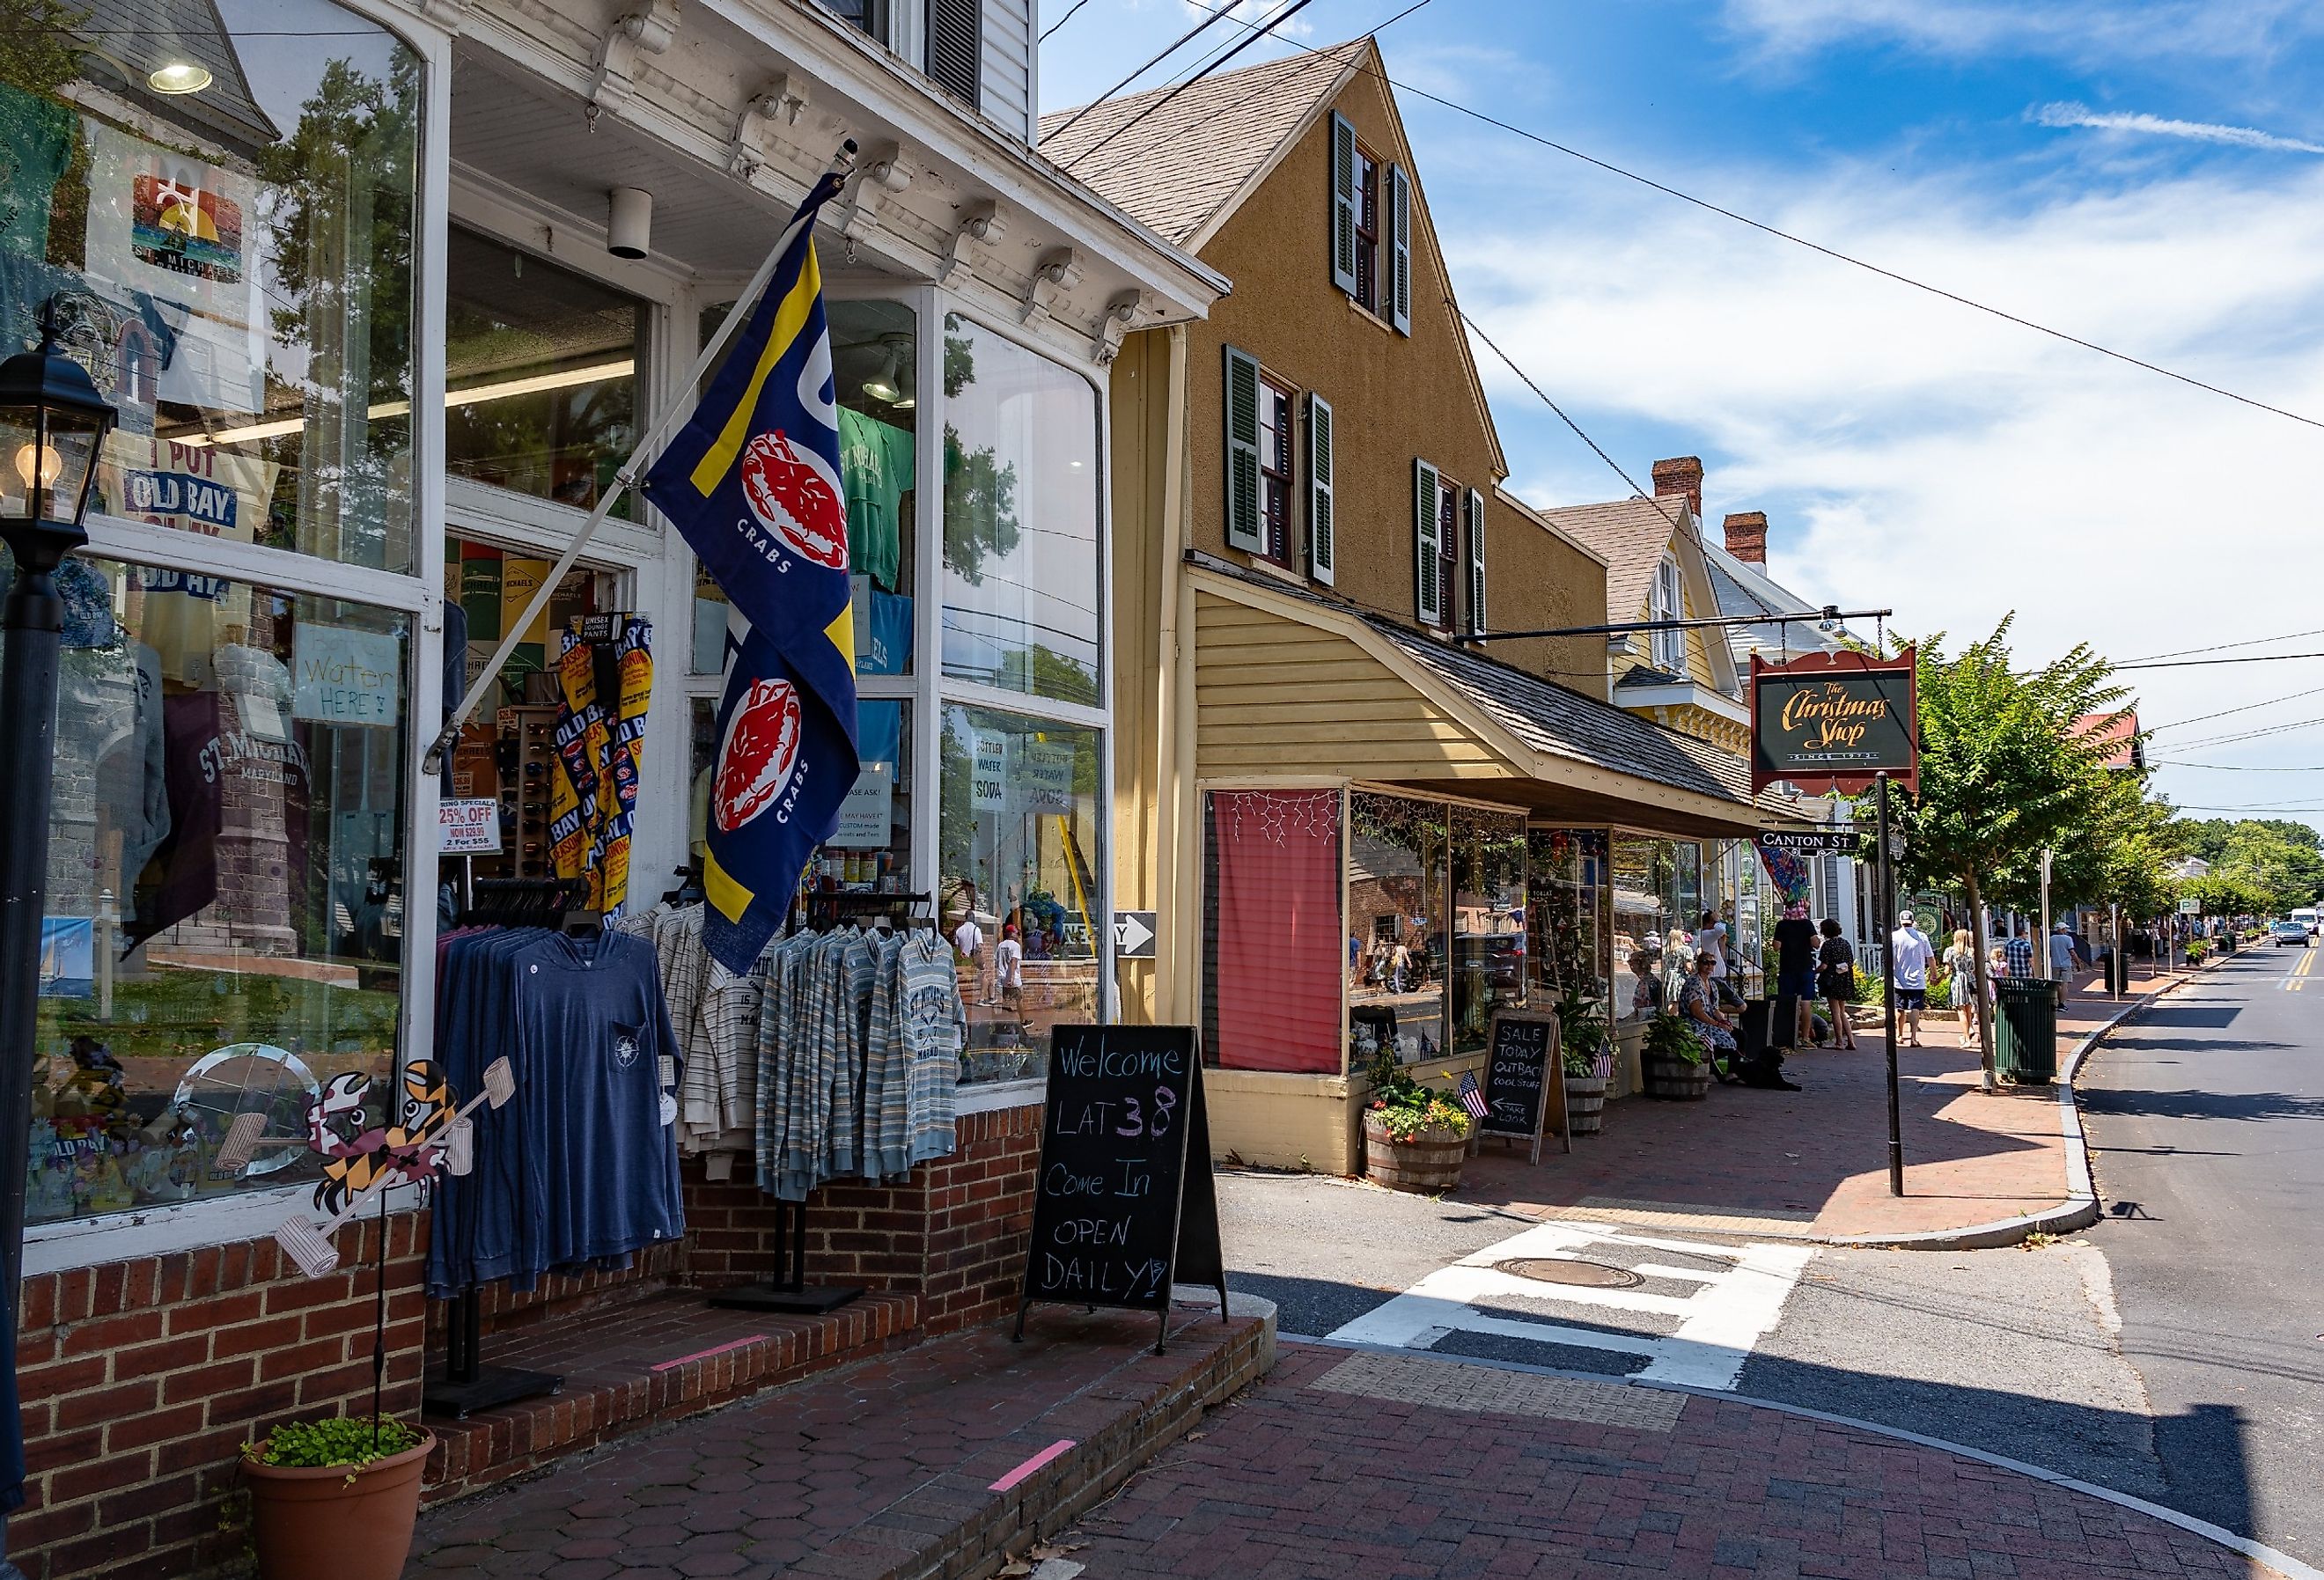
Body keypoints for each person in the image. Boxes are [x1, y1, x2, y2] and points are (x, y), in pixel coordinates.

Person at [1773, 902, 1820, 1044]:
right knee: (1805, 1003)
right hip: (1805, 967)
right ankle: (1805, 1038)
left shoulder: (1782, 925)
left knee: (1786, 1003)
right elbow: (1816, 943)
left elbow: (1776, 946)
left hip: (1787, 968)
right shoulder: (1807, 924)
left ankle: (1787, 1038)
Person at [1889, 908, 1936, 1047]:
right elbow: (1930, 958)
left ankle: (1899, 1034)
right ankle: (1913, 1037)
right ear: (1912, 921)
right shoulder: (1921, 937)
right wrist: (1934, 974)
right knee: (1915, 1008)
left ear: (1900, 921)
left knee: (1900, 1008)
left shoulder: (1894, 937)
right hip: (1917, 979)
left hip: (1899, 978)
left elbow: (1890, 958)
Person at [1816, 919, 1859, 1050]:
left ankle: (1839, 1042)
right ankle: (1851, 1041)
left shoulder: (1827, 945)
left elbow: (1824, 966)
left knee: (1835, 1011)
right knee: (1842, 1011)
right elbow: (1850, 962)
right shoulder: (1845, 943)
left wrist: (1814, 971)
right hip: (1844, 979)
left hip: (1832, 981)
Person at [1943, 928, 1980, 1048]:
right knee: (1968, 1008)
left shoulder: (1950, 951)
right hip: (1970, 979)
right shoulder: (1972, 952)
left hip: (1958, 980)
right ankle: (1969, 1029)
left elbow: (1947, 970)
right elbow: (1975, 969)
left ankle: (1967, 1038)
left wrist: (1938, 979)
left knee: (1961, 1010)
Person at [1693, 911, 1729, 984]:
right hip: (1714, 976)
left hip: (1715, 975)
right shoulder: (1706, 934)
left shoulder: (1706, 936)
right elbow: (1721, 929)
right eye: (1714, 923)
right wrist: (1717, 920)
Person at [996, 922, 1024, 1013]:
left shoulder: (1000, 945)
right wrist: (1011, 978)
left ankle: (1005, 1023)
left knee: (1005, 1001)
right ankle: (1022, 1021)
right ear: (1011, 933)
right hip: (1013, 978)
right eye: (1016, 933)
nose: (1017, 935)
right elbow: (1013, 961)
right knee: (1019, 999)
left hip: (1002, 977)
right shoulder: (1016, 946)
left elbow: (996, 961)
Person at [2048, 922, 2077, 1003]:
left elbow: (2049, 951)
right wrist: (2078, 962)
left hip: (2055, 964)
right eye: (2065, 929)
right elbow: (2072, 951)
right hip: (2066, 964)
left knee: (2056, 984)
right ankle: (2062, 1003)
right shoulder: (2068, 938)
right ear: (2063, 929)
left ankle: (2057, 1000)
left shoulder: (2051, 938)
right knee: (2064, 984)